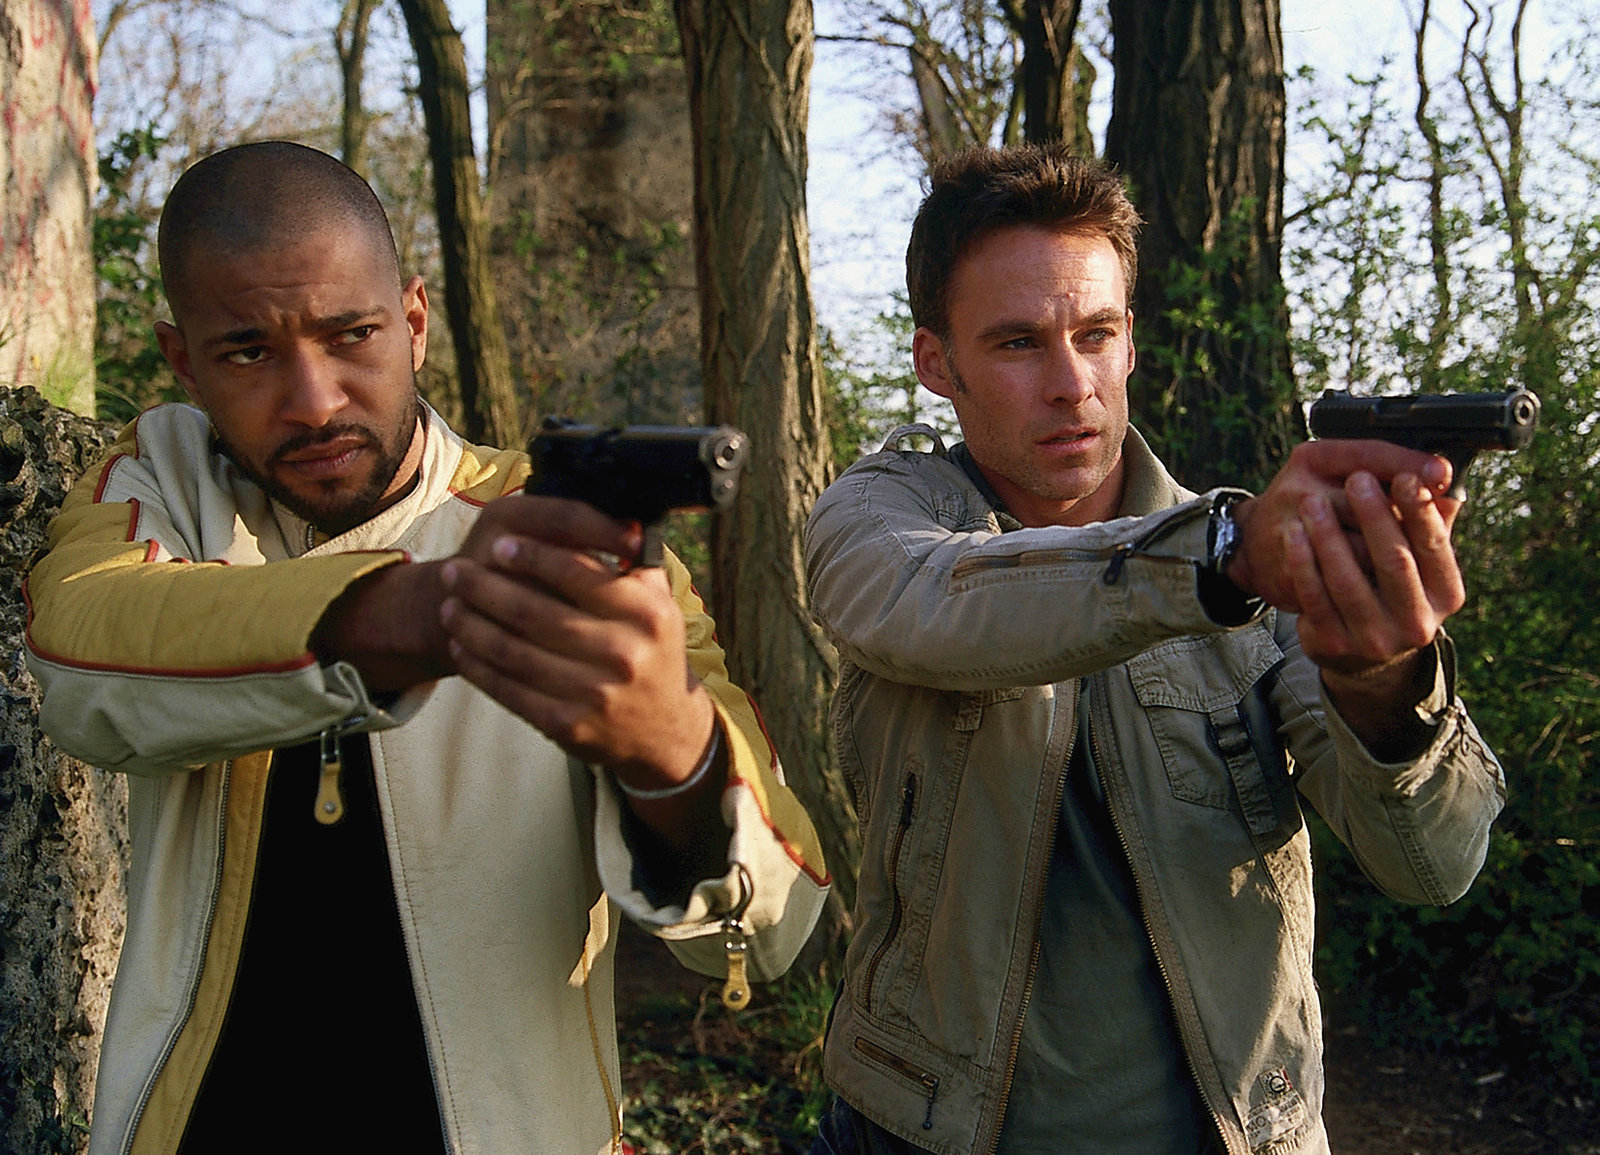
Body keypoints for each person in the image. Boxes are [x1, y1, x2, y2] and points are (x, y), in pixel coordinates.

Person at [24, 141, 828, 1155]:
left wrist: (671, 754)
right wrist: (415, 613)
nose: (314, 400)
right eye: (247, 353)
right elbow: (79, 651)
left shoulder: (569, 536)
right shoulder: (161, 482)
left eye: (350, 334)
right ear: (183, 361)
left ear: (412, 322)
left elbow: (776, 924)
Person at [803, 144, 1504, 1155]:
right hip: (917, 1134)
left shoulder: (1264, 564)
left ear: (1130, 341)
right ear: (935, 363)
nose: (1070, 384)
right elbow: (931, 602)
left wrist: (1384, 676)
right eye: (1016, 343)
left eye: (1095, 333)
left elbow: (1434, 865)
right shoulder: (882, 516)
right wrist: (1222, 558)